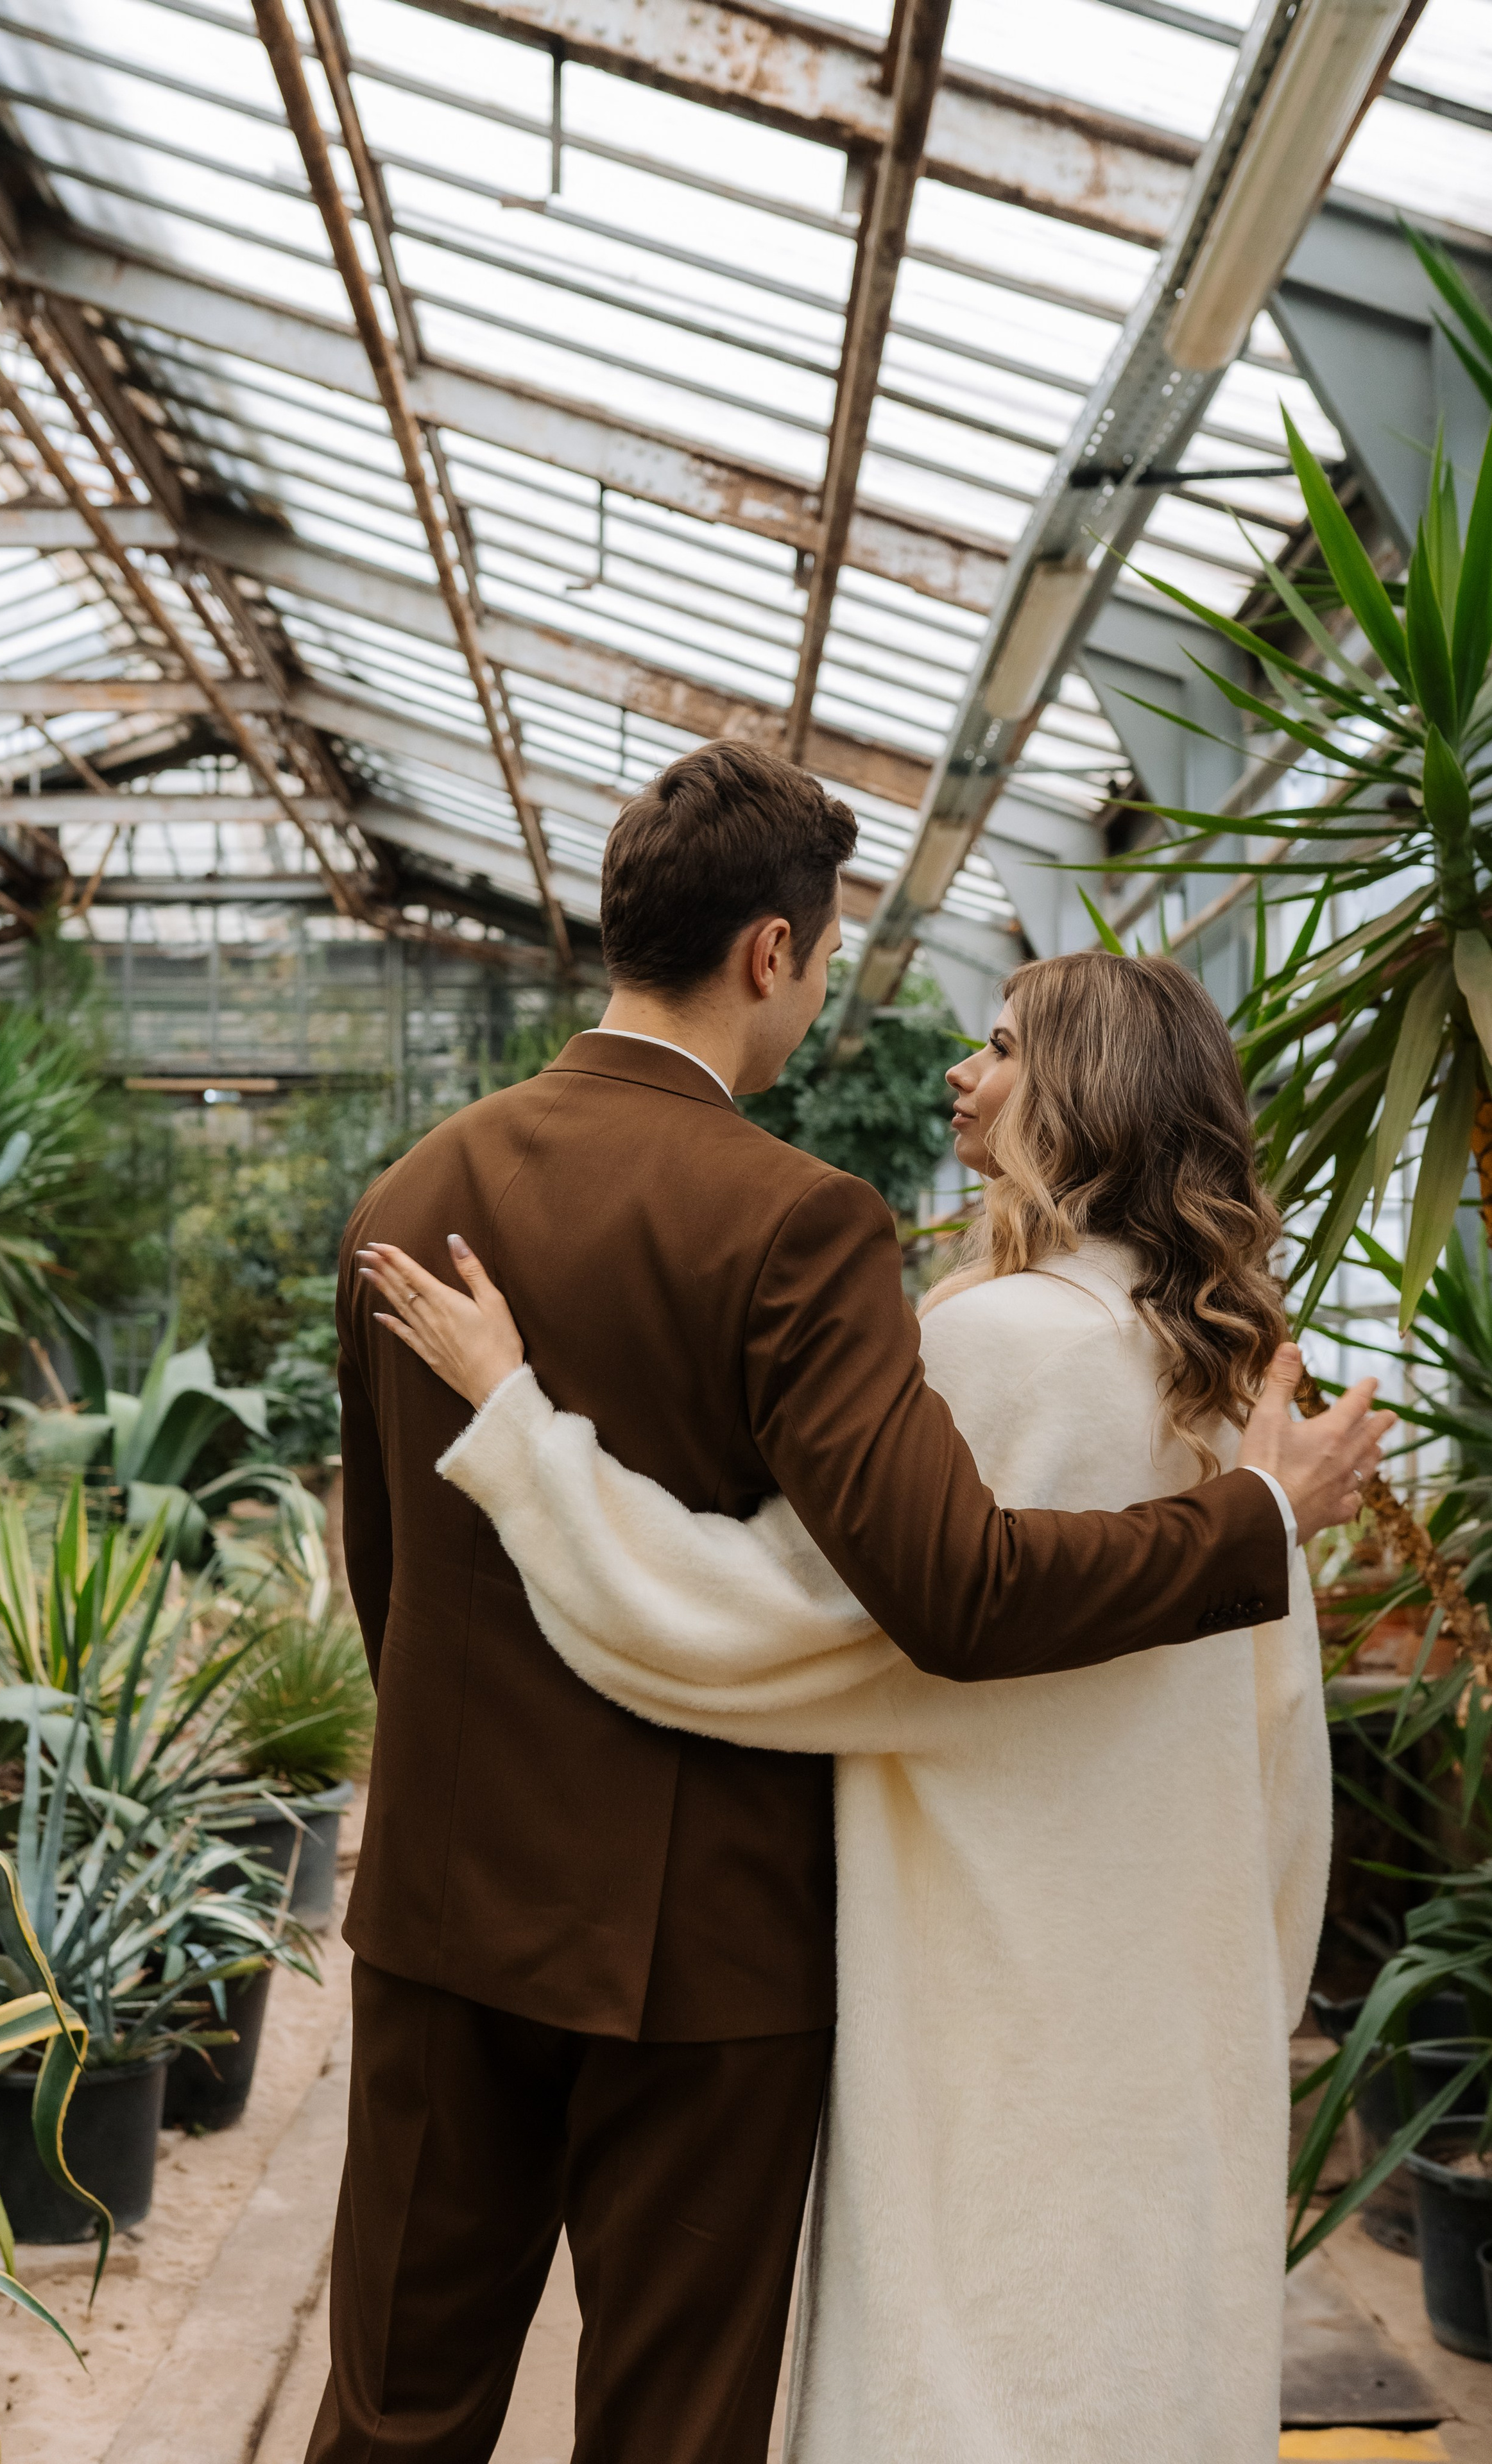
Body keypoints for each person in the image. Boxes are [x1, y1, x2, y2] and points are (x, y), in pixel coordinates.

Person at [313, 740, 1384, 2464]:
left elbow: (389, 1568)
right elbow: (936, 1590)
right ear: (770, 954)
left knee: (394, 2413)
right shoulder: (801, 1224)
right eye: (823, 961)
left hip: (447, 1904)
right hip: (711, 1944)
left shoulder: (410, 1199)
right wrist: (1257, 1525)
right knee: (672, 2432)